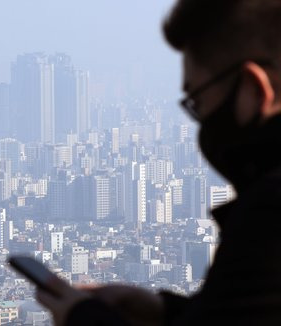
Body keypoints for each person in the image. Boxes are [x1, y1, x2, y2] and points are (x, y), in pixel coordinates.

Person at [36, 0, 281, 325]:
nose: (201, 120)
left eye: (198, 101)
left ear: (253, 88)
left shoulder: (270, 211)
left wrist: (83, 317)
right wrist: (166, 313)